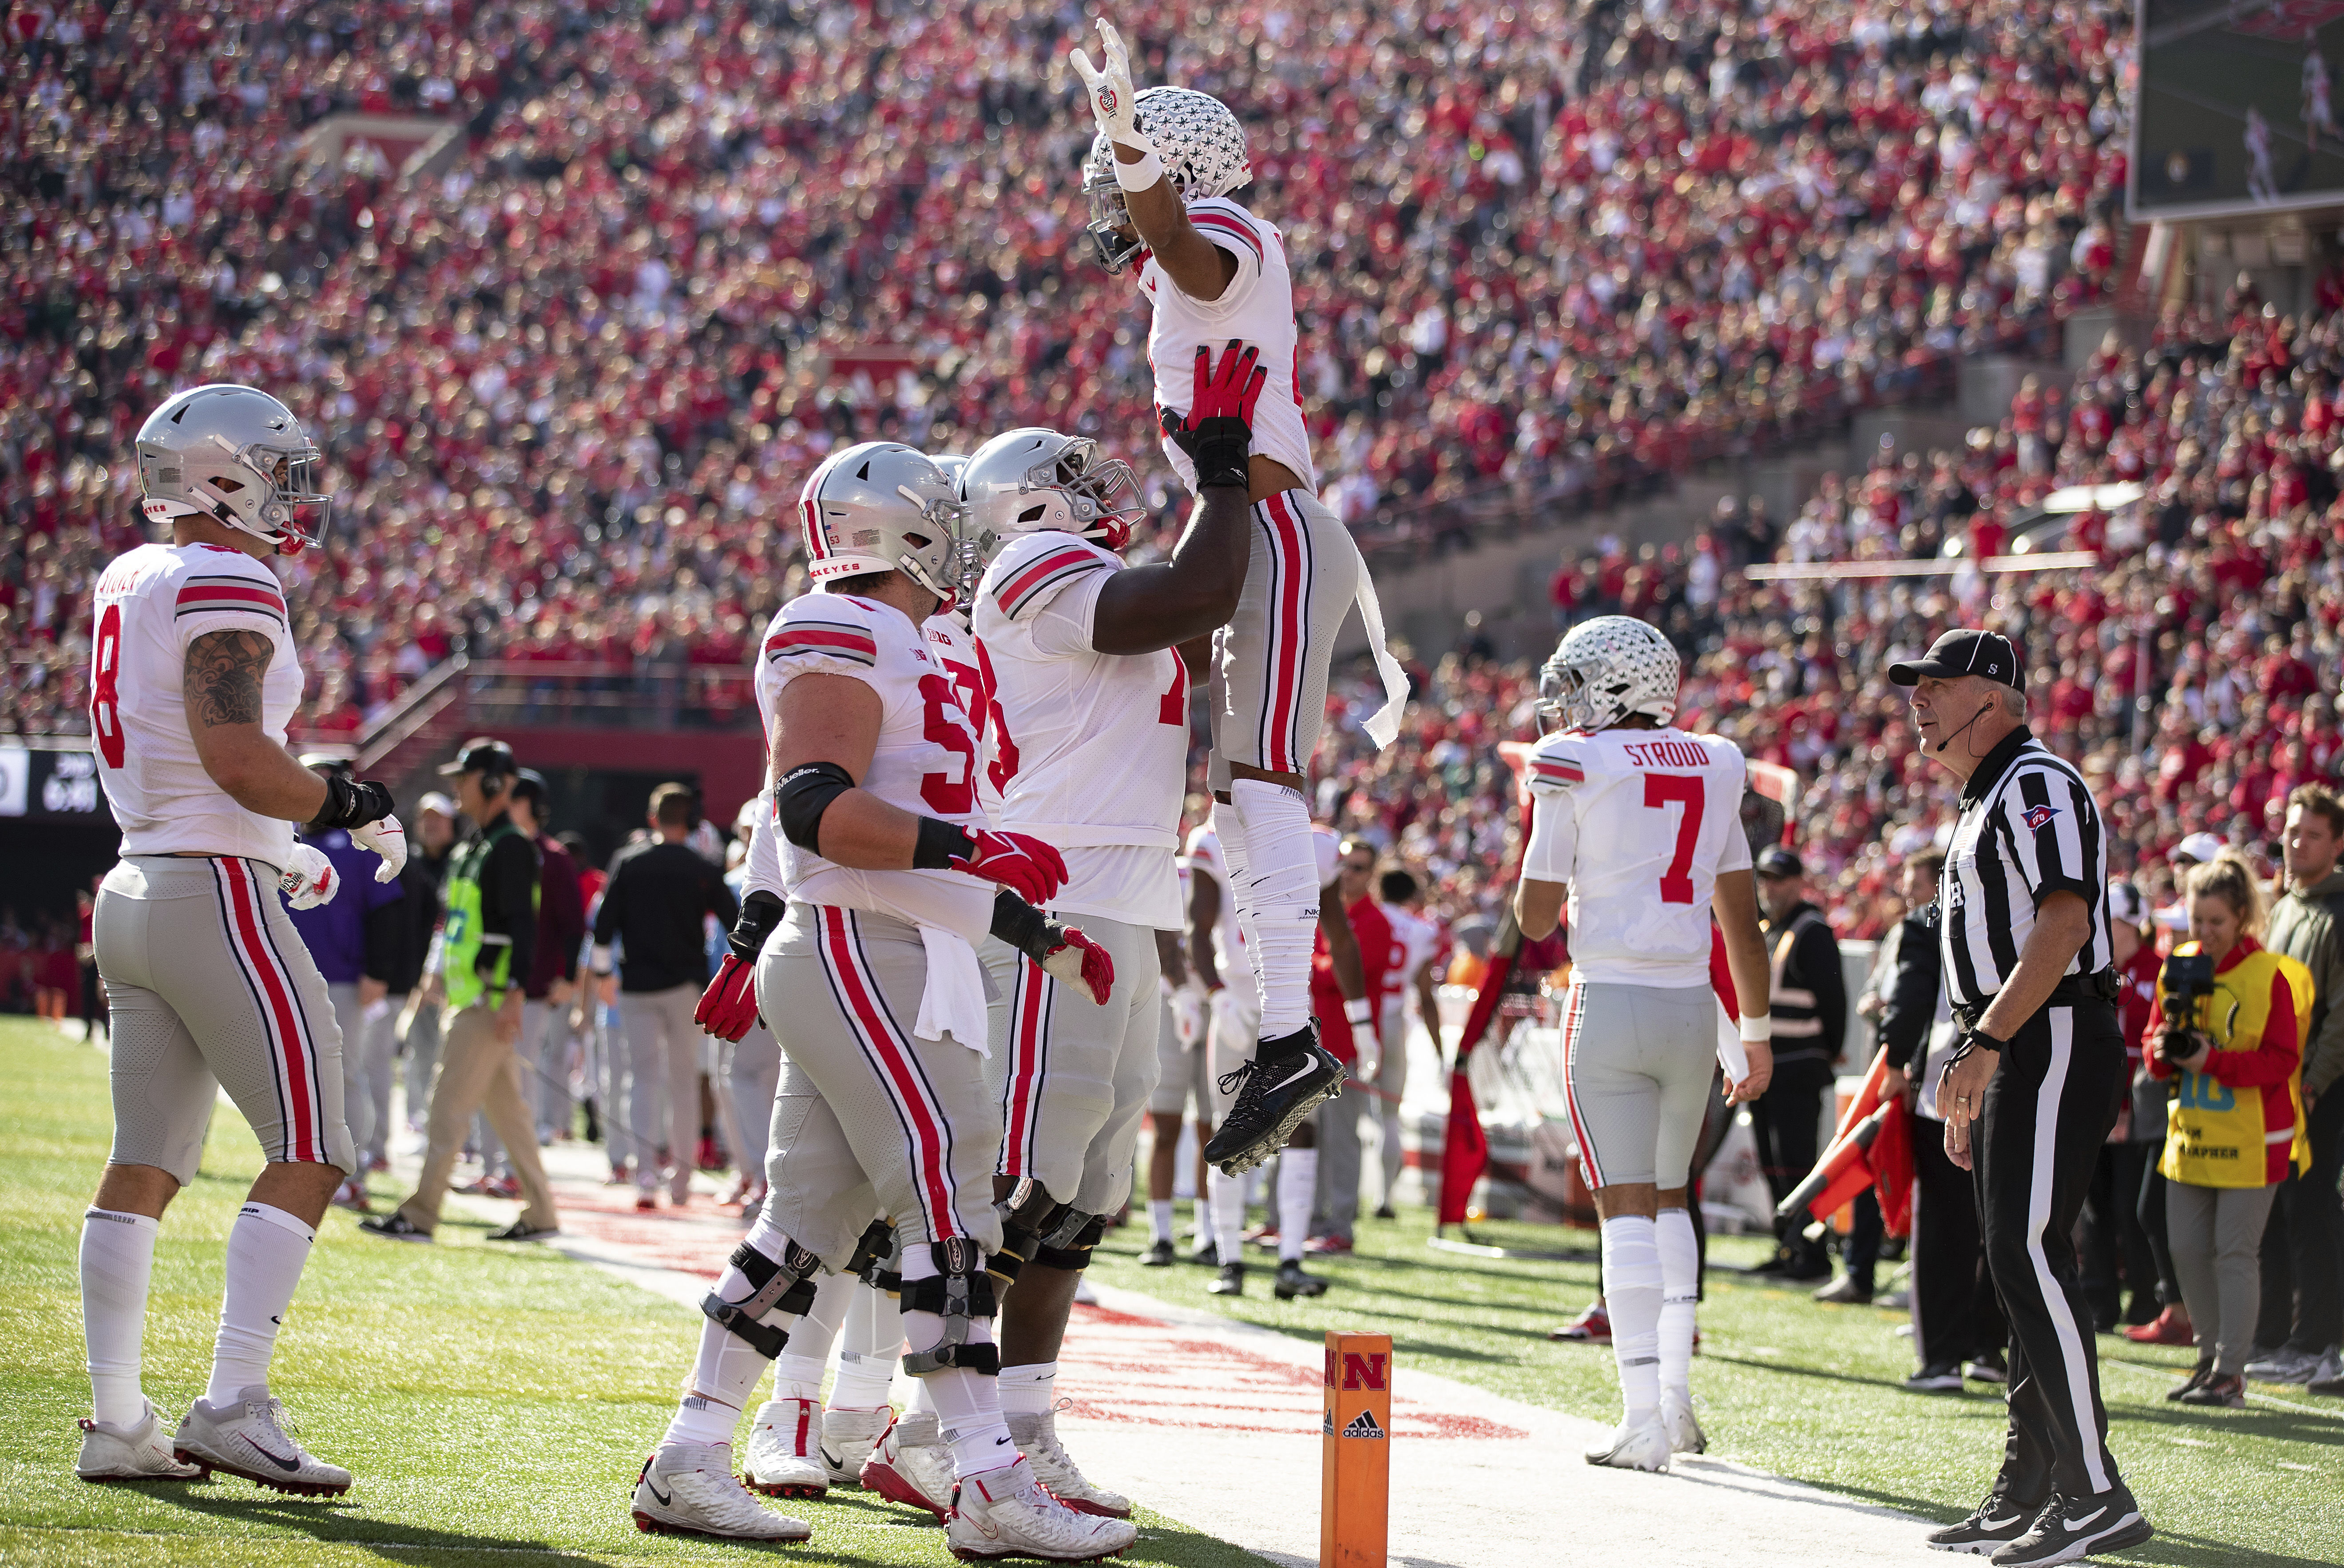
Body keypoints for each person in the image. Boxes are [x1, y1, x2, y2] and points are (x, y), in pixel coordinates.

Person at [646, 441, 1128, 1557]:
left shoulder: (912, 636)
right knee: (951, 1198)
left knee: (802, 1223)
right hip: (861, 950)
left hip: (892, 942)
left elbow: (902, 851)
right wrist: (977, 845)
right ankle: (987, 1477)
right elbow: (816, 808)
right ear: (910, 530)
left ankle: (689, 1452)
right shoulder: (844, 625)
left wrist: (1033, 933)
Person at [1069, 19, 1409, 1179]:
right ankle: (1280, 1031)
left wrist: (1129, 149)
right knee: (1230, 795)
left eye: (1122, 176)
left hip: (1270, 527)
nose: (1108, 203)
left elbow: (1171, 236)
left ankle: (1285, 1036)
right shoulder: (1211, 255)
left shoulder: (1222, 235)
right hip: (1250, 524)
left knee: (1259, 779)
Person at [75, 382, 404, 1493]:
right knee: (313, 1143)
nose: (293, 493)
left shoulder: (132, 573)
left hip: (139, 881)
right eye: (278, 469)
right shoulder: (228, 573)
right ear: (225, 474)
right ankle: (232, 1401)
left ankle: (118, 1419)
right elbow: (235, 754)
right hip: (209, 891)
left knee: (145, 1163)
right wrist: (347, 806)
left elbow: (192, 762)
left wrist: (276, 840)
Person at [960, 377, 1256, 1514]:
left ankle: (1024, 1423)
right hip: (1058, 893)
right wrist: (1221, 475)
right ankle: (946, 1424)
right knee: (1023, 1174)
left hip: (1121, 891)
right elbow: (1197, 591)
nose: (1099, 490)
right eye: (1073, 480)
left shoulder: (1071, 571)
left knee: (1086, 1192)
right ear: (1028, 508)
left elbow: (1203, 599)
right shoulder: (1030, 570)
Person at [1894, 627, 2151, 1563]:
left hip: (2047, 1033)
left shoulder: (2034, 781)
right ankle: (2029, 1481)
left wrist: (1988, 1040)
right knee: (2015, 1260)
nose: (1916, 698)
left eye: (1935, 682)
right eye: (1912, 684)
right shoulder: (1983, 796)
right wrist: (1976, 1052)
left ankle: (2091, 1490)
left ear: (1993, 695)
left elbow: (2063, 919)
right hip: (2014, 1040)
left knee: (2026, 1250)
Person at [1512, 614, 1774, 1473]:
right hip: (1692, 1010)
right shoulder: (1719, 758)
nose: (1563, 701)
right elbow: (1741, 916)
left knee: (1622, 1205)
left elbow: (1535, 916)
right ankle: (1675, 1401)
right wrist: (1755, 1033)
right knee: (1668, 1201)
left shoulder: (1572, 762)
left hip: (1611, 1000)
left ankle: (1639, 1419)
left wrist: (1549, 822)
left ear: (1610, 684)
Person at [361, 738, 559, 1245]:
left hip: (486, 1000)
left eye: (464, 778)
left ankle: (422, 1212)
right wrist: (437, 975)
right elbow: (457, 927)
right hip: (471, 997)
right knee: (509, 1114)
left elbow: (522, 926)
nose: (455, 787)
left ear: (493, 783)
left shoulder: (508, 847)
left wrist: (513, 993)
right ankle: (541, 1212)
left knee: (446, 1107)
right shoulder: (475, 846)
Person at [2146, 851, 2312, 1407]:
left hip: (2252, 1138)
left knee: (2233, 1253)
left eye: (2215, 922)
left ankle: (2230, 1371)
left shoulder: (2269, 975)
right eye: (2196, 921)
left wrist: (2211, 1062)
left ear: (2242, 916)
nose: (2204, 933)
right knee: (2186, 1249)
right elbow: (2154, 1058)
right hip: (2187, 1136)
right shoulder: (2178, 963)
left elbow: (2282, 1060)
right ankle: (2205, 1356)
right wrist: (2167, 1048)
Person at [1877, 848, 2010, 1392]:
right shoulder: (2005, 910)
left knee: (1941, 1225)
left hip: (1944, 1083)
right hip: (2007, 1081)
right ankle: (1987, 1344)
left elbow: (1909, 998)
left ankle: (1940, 1357)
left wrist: (1890, 1061)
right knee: (1997, 1221)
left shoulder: (1927, 921)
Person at [591, 782, 739, 1211]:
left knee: (642, 1079)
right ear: (691, 821)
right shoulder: (701, 866)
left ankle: (644, 1176)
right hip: (686, 987)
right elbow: (734, 922)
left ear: (653, 819)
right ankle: (682, 1181)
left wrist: (602, 972)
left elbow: (604, 923)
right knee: (683, 1083)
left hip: (637, 985)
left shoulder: (630, 861)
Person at [2247, 784, 2344, 1388]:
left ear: (2336, 844)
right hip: (2270, 1085)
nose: (2295, 842)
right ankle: (2281, 1334)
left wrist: (2311, 1084)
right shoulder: (2280, 908)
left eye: (2310, 834)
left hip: (2317, 1091)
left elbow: (2340, 1013)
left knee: (2311, 1212)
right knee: (2276, 1211)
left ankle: (2316, 1339)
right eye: (2290, 830)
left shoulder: (2336, 913)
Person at [282, 753, 405, 1214]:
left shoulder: (359, 844)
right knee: (297, 1075)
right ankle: (303, 1165)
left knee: (346, 1073)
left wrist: (378, 970)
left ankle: (355, 1174)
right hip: (287, 972)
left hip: (343, 977)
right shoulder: (283, 838)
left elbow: (388, 908)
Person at [1750, 845, 1847, 1284]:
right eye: (1764, 878)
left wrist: (1826, 1049)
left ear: (1796, 882)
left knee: (1797, 1161)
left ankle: (1810, 1252)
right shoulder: (1769, 928)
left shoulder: (1811, 930)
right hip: (1769, 1064)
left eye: (1777, 879)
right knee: (1773, 1161)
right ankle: (1786, 1245)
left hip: (1798, 1062)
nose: (1769, 887)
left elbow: (1833, 999)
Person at [2086, 882, 2169, 1335]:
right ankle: (2098, 1300)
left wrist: (2122, 1106)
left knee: (2131, 1209)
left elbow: (2142, 1046)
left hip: (2137, 1112)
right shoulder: (2090, 967)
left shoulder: (2156, 971)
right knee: (2092, 1209)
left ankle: (2143, 1298)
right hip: (2092, 1107)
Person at [1308, 836, 1396, 1257]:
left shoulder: (1375, 922)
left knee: (1341, 1138)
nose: (1349, 874)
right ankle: (1308, 1220)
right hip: (1316, 1041)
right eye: (1344, 865)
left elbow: (1333, 973)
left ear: (1372, 874)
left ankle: (1340, 1226)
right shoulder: (1330, 914)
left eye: (1359, 867)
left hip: (1344, 1044)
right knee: (1311, 1136)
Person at [1142, 861, 1215, 1267]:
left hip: (1222, 1006)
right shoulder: (1175, 870)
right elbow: (1160, 933)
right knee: (1166, 1126)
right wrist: (1182, 989)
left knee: (1215, 1128)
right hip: (1172, 1003)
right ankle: (1162, 1233)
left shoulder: (1236, 867)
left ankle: (1209, 1233)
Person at [510, 770, 587, 1147]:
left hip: (535, 983)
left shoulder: (554, 858)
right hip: (489, 980)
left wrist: (567, 976)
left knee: (525, 1066)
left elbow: (572, 924)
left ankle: (526, 1141)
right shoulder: (495, 847)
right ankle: (486, 1147)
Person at [1375, 867, 1447, 1216]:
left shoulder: (1369, 917)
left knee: (1339, 1113)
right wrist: (1440, 1048)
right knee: (1389, 1115)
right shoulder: (1422, 930)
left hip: (1360, 1015)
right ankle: (1384, 1199)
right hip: (1394, 1020)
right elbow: (1426, 995)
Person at [395, 795, 458, 1140]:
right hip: (417, 976)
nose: (431, 826)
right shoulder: (408, 862)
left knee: (450, 1056)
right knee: (418, 1050)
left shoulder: (461, 862)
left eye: (438, 819)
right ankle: (419, 1122)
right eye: (425, 819)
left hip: (457, 977)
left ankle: (452, 1131)